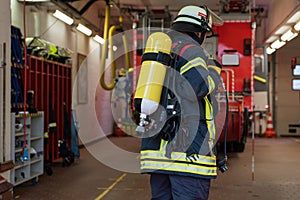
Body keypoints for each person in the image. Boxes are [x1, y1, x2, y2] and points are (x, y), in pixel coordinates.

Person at [138, 5, 224, 200]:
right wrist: (214, 71)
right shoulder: (191, 50)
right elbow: (199, 88)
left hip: (157, 158)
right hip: (187, 157)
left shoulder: (161, 53)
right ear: (199, 31)